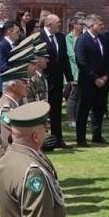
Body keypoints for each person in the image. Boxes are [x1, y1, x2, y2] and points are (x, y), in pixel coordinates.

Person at [73, 15, 109, 146]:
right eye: (99, 24)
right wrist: (94, 77)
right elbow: (81, 62)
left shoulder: (103, 38)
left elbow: (107, 58)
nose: (102, 26)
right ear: (91, 26)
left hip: (102, 80)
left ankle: (97, 134)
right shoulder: (82, 40)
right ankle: (81, 138)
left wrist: (106, 75)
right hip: (88, 81)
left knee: (99, 109)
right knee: (84, 109)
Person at [0, 61, 32, 180]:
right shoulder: (5, 110)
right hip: (6, 171)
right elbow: (9, 143)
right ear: (13, 86)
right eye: (24, 82)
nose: (28, 85)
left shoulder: (12, 105)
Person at [41, 14, 69, 151]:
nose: (60, 24)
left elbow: (64, 59)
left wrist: (69, 78)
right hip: (44, 80)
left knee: (56, 110)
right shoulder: (39, 37)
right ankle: (43, 140)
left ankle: (58, 138)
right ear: (48, 24)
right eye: (58, 22)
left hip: (57, 80)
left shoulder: (61, 37)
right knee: (42, 111)